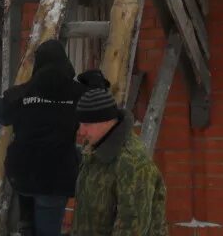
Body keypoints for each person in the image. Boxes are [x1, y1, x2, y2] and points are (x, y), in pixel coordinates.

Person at [0, 40, 85, 236]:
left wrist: (4, 100)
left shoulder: (23, 92)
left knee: (29, 217)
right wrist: (94, 83)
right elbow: (98, 105)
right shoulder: (77, 93)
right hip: (55, 178)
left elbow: (1, 113)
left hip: (23, 174)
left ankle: (26, 225)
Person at [71, 71, 166, 236]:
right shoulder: (95, 150)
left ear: (106, 121)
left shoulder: (132, 163)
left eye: (87, 123)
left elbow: (131, 228)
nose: (81, 131)